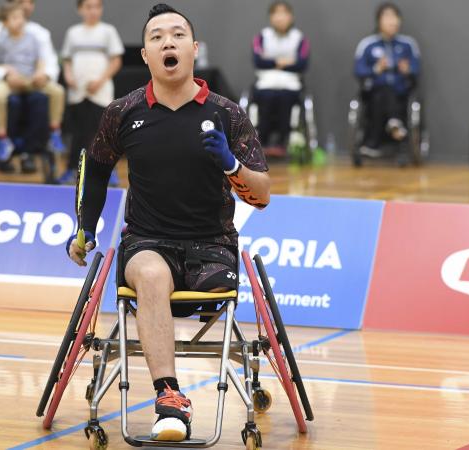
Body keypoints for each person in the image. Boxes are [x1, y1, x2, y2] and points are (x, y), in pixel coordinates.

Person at [66, 3, 270, 442]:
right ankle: (169, 397)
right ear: (145, 55)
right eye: (157, 37)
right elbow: (95, 169)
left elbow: (262, 194)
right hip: (146, 241)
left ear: (194, 49)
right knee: (151, 275)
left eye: (177, 35)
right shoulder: (122, 112)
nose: (168, 42)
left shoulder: (227, 113)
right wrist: (85, 228)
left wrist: (232, 164)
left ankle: (171, 397)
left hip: (212, 246)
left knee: (179, 273)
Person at [0, 0, 60, 173]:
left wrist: (43, 75)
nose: (26, 6)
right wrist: (5, 74)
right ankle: (2, 143)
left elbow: (49, 62)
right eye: (21, 2)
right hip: (8, 85)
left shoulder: (38, 33)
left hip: (32, 85)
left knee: (43, 99)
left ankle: (34, 149)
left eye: (30, 2)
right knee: (3, 99)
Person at [58, 0, 124, 185]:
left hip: (100, 91)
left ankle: (108, 171)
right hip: (78, 92)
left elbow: (116, 60)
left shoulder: (108, 31)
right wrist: (69, 76)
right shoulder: (73, 33)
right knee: (78, 132)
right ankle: (72, 170)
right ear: (80, 9)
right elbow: (67, 60)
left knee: (103, 131)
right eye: (88, 7)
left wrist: (100, 80)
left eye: (97, 6)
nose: (93, 11)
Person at [354, 2, 420, 155]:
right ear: (379, 21)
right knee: (381, 93)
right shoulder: (367, 45)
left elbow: (416, 68)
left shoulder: (408, 44)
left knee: (391, 92)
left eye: (395, 17)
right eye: (388, 17)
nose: (392, 21)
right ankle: (393, 124)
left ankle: (383, 134)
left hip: (401, 93)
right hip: (374, 93)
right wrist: (376, 69)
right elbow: (358, 70)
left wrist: (407, 69)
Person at [251, 1, 309, 157]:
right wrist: (284, 61)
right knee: (265, 97)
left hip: (290, 84)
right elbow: (258, 61)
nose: (280, 18)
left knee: (286, 99)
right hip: (265, 82)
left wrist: (271, 61)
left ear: (290, 16)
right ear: (271, 17)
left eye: (284, 13)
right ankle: (262, 141)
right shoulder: (262, 37)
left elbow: (301, 64)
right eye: (276, 13)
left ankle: (282, 141)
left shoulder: (299, 38)